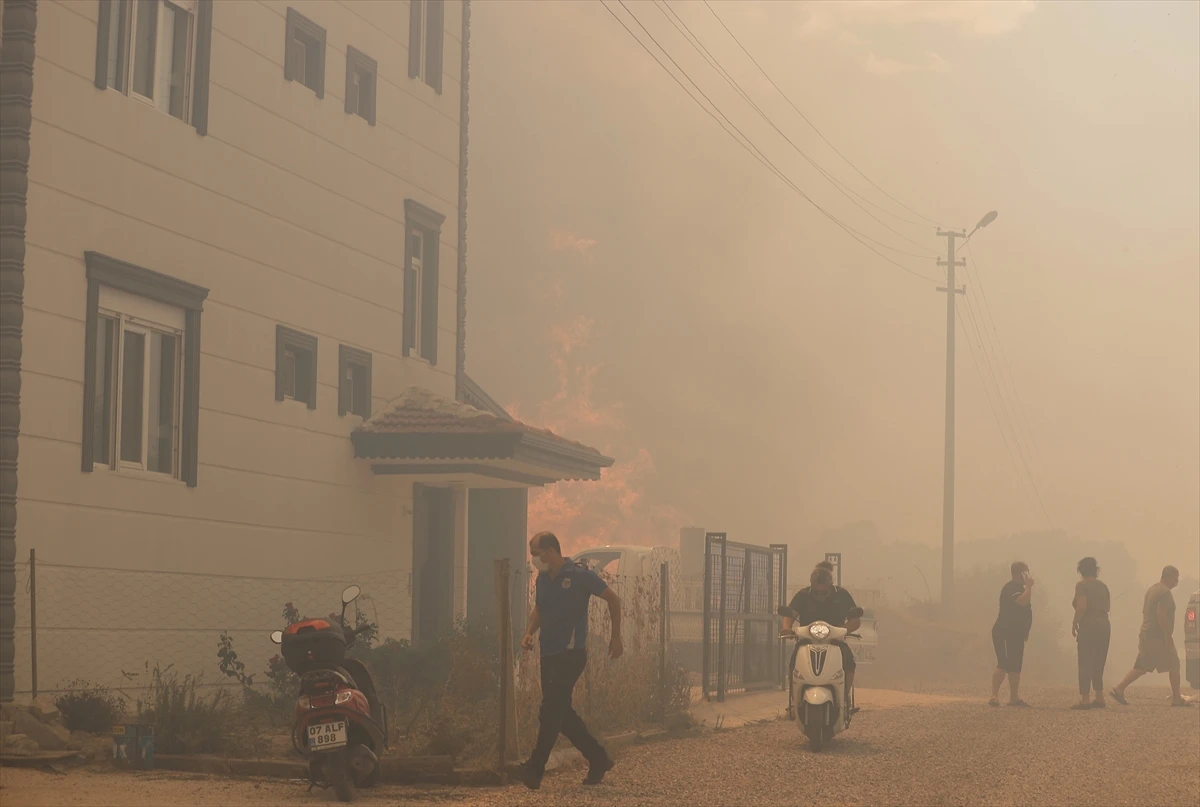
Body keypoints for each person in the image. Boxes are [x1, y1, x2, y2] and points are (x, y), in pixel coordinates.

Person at [517, 532, 623, 790]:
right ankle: (599, 758)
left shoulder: (580, 576)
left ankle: (534, 769)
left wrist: (616, 636)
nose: (533, 560)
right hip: (549, 653)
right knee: (560, 713)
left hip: (571, 654)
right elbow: (539, 609)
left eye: (535, 554)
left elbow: (614, 599)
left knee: (550, 709)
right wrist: (530, 631)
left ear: (550, 551)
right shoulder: (542, 580)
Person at [1110, 565, 1192, 707]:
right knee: (1173, 663)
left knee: (1143, 665)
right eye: (1175, 578)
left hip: (1147, 633)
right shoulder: (1164, 593)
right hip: (1157, 636)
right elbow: (1161, 615)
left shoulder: (1152, 590)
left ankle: (1120, 688)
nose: (1176, 582)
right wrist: (1167, 635)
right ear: (1168, 576)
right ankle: (1177, 698)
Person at [781, 565, 861, 708]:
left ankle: (845, 696)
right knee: (794, 665)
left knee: (848, 662)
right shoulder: (803, 595)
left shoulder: (842, 595)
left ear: (830, 584)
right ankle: (794, 700)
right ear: (811, 585)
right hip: (807, 640)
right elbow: (791, 614)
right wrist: (786, 628)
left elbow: (855, 620)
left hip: (835, 640)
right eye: (816, 592)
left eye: (823, 592)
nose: (820, 595)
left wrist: (843, 629)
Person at [989, 561, 1034, 707]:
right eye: (1026, 573)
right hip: (1003, 631)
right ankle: (994, 696)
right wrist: (1028, 587)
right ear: (1021, 573)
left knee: (1015, 666)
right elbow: (1022, 602)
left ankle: (1014, 698)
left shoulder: (1021, 589)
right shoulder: (1011, 588)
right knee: (1003, 663)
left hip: (1017, 633)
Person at [1069, 556, 1111, 710]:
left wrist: (1074, 622)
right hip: (1104, 625)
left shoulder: (1081, 585)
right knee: (1099, 661)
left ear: (1081, 571)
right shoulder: (1103, 586)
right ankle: (1099, 697)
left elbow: (1081, 607)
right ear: (1096, 570)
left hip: (1089, 625)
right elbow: (1107, 607)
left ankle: (1085, 698)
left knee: (1085, 661)